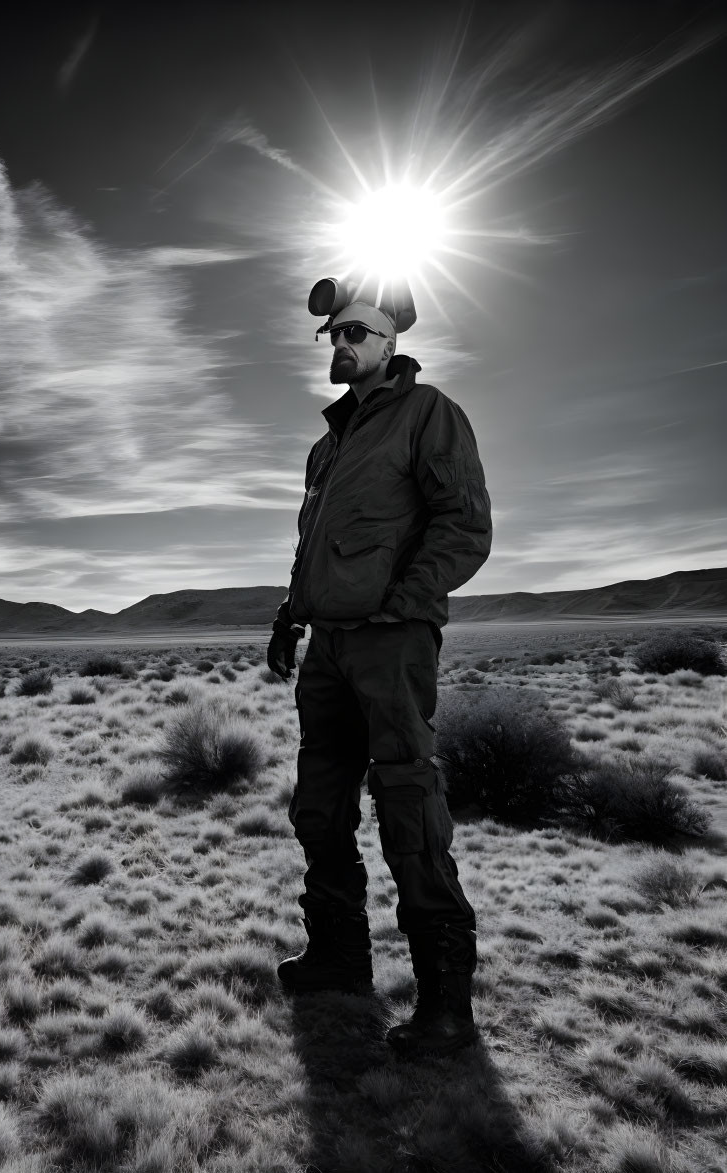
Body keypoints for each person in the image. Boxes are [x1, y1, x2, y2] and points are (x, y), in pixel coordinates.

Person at [266, 296, 492, 1057]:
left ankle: (446, 1004)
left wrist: (405, 604)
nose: (340, 342)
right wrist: (290, 615)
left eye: (355, 331)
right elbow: (315, 546)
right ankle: (339, 958)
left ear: (389, 342)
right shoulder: (328, 443)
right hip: (327, 647)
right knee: (319, 807)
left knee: (407, 807)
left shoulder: (427, 412)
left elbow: (462, 523)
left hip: (391, 644)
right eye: (334, 332)